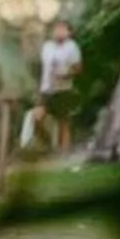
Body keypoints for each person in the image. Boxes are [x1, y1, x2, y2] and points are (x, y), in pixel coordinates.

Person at [20, 15, 82, 149]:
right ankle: (47, 143)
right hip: (46, 88)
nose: (59, 31)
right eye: (57, 28)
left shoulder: (72, 47)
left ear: (68, 32)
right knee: (37, 117)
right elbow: (44, 68)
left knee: (63, 121)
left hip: (64, 88)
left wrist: (65, 74)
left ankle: (63, 153)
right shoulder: (47, 46)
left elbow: (78, 69)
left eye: (62, 28)